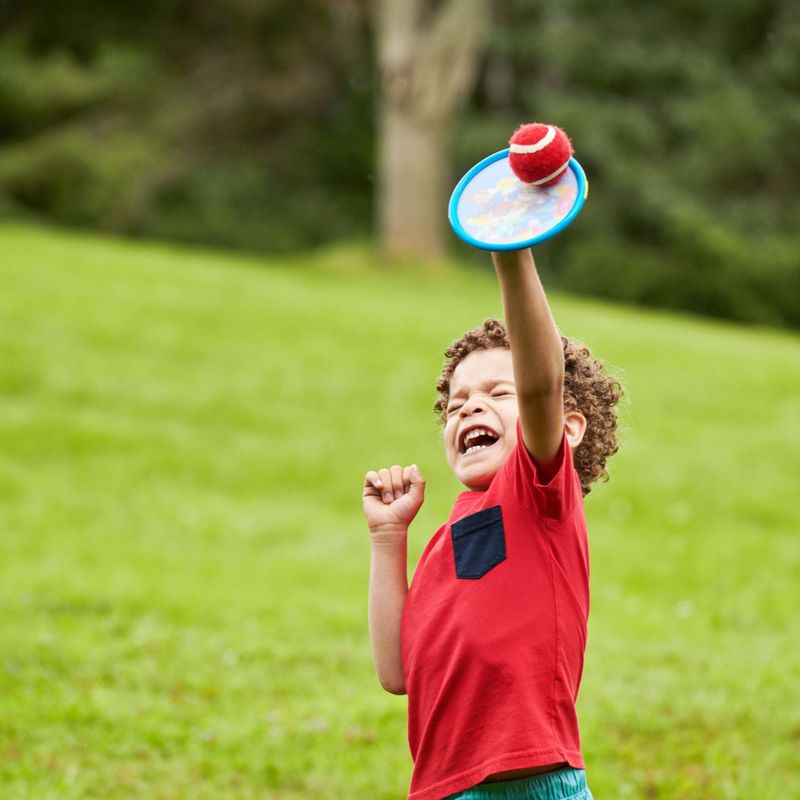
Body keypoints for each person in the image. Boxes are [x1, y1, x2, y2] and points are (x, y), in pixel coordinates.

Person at [363, 247, 622, 800]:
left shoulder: (540, 497)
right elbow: (397, 673)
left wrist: (510, 252)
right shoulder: (444, 540)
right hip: (443, 790)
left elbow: (541, 385)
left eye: (498, 393)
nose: (469, 408)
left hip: (533, 786)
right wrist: (387, 538)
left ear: (568, 428)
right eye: (455, 404)